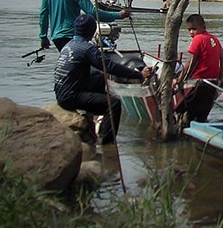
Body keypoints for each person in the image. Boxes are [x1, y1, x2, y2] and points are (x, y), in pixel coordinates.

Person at [53, 15, 152, 144]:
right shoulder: (87, 49)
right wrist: (139, 75)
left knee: (99, 78)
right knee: (114, 104)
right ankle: (107, 143)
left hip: (61, 91)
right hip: (70, 96)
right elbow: (110, 67)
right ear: (93, 31)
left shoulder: (69, 45)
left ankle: (93, 116)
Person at [171, 13, 223, 123]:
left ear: (203, 27)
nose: (191, 32)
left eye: (194, 29)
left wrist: (179, 79)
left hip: (199, 82)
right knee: (202, 114)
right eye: (189, 29)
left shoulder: (198, 39)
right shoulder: (214, 38)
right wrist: (221, 78)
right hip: (213, 82)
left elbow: (189, 62)